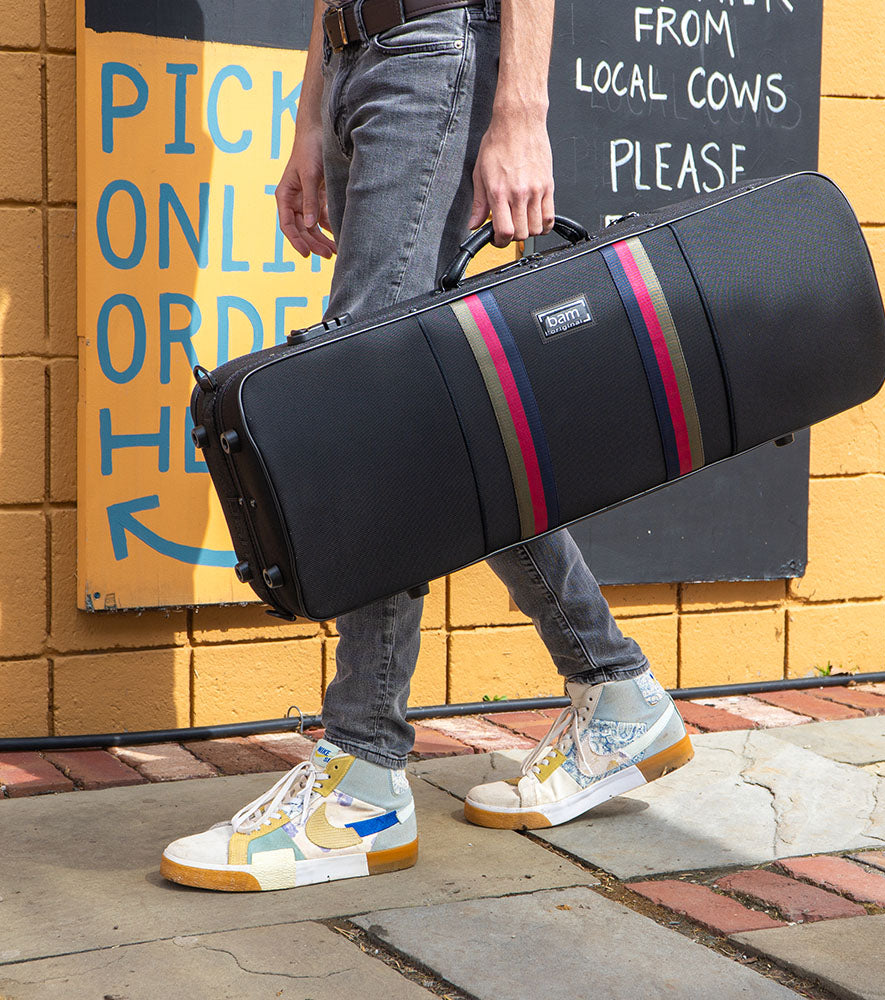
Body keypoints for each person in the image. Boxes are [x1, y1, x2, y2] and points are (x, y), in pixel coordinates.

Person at [160, 0, 693, 893]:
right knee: (443, 417)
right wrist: (310, 114)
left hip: (432, 49)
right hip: (358, 60)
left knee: (372, 399)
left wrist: (521, 109)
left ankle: (363, 777)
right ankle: (615, 694)